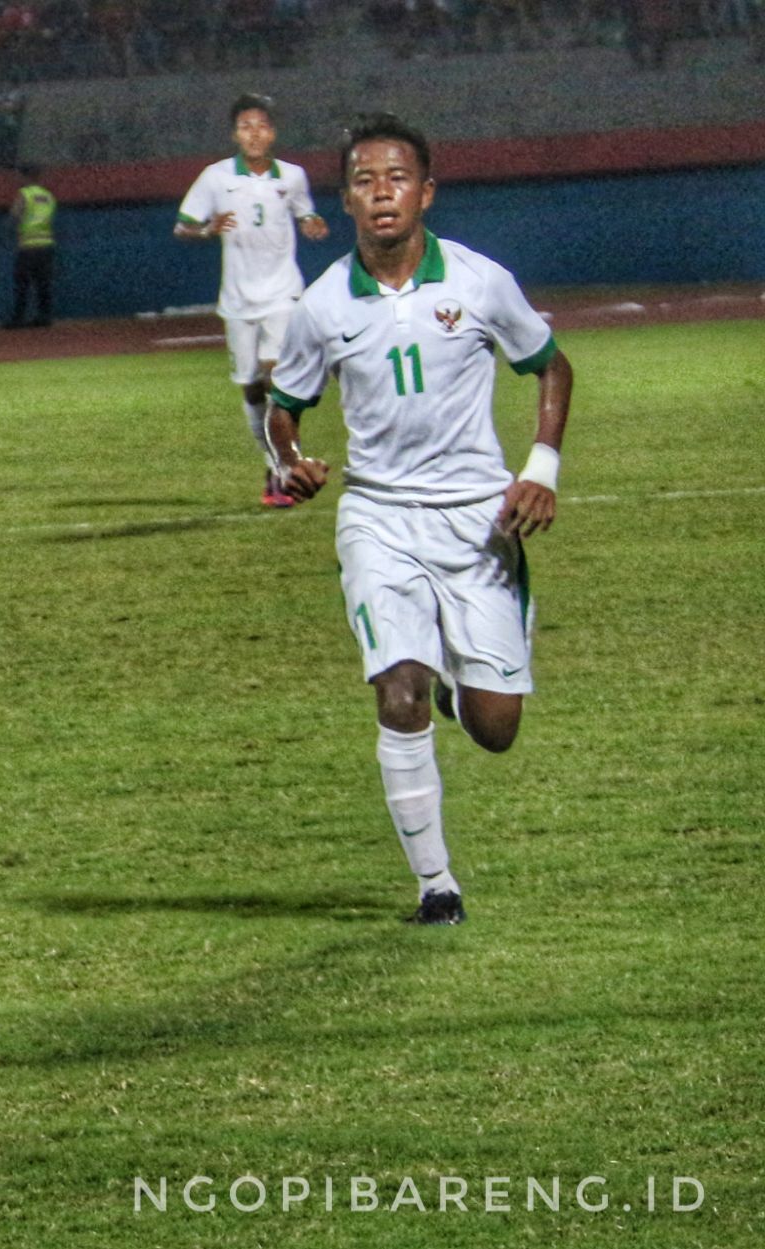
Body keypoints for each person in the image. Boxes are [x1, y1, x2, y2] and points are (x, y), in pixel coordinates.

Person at [265, 114, 573, 925]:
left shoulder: (477, 282)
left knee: (496, 729)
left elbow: (550, 364)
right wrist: (289, 460)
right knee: (399, 691)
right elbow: (284, 406)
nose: (381, 193)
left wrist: (540, 466)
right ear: (348, 199)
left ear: (426, 191)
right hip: (379, 515)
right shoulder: (324, 303)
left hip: (477, 522)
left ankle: (461, 682)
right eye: (365, 180)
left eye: (396, 177)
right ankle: (437, 887)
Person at [175, 93, 329, 508]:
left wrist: (313, 222)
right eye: (246, 126)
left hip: (283, 292)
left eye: (261, 125)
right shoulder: (215, 177)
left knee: (276, 377)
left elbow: (304, 212)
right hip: (238, 299)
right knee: (250, 386)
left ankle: (286, 463)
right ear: (235, 134)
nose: (254, 133)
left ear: (272, 132)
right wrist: (207, 229)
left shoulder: (292, 176)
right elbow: (183, 226)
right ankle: (272, 462)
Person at [8, 163, 56, 328]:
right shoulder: (48, 195)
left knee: (22, 283)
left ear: (25, 176)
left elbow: (15, 214)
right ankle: (44, 316)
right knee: (43, 283)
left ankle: (18, 318)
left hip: (28, 245)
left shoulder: (24, 194)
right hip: (46, 244)